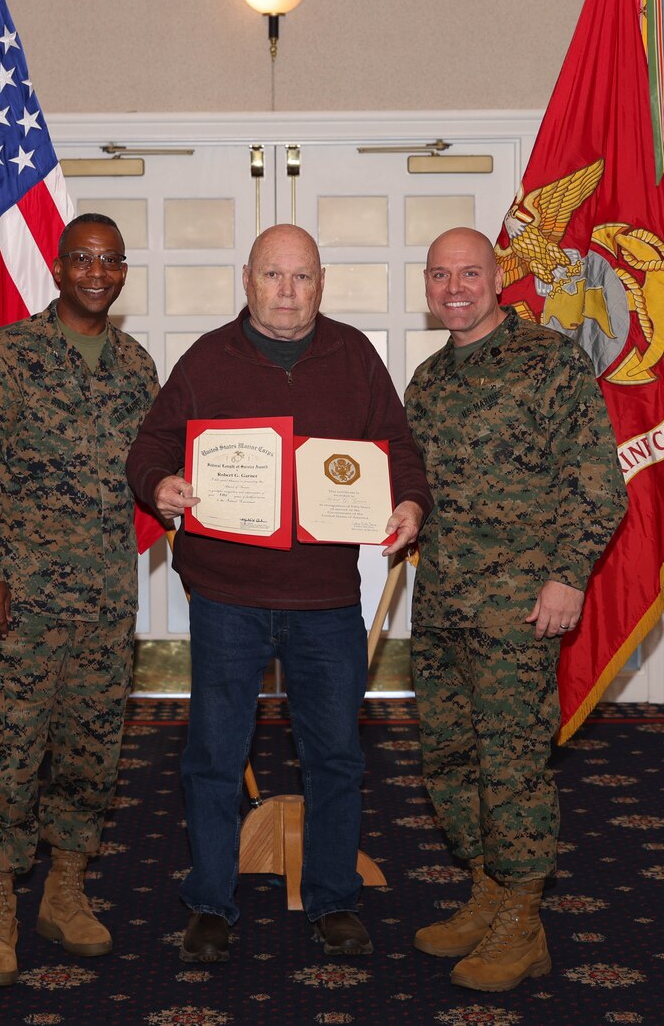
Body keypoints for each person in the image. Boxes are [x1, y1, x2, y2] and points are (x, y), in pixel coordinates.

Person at [126, 224, 432, 963]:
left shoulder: (354, 356)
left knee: (335, 759)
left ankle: (331, 899)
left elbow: (398, 451)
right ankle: (208, 901)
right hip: (226, 595)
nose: (287, 292)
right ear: (247, 279)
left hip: (325, 600)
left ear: (320, 282)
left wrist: (410, 505)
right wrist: (159, 484)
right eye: (272, 276)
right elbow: (150, 446)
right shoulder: (206, 358)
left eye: (300, 277)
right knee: (213, 754)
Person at [0, 213, 158, 987]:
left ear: (123, 270)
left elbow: (156, 470)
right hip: (21, 600)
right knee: (13, 754)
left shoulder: (136, 366)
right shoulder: (8, 356)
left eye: (111, 260)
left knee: (93, 754)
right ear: (58, 268)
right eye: (83, 260)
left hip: (103, 600)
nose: (97, 272)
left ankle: (64, 889)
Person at [405, 227, 628, 992]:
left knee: (511, 765)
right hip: (440, 604)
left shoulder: (550, 361)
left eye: (468, 272)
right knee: (447, 759)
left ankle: (523, 921)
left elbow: (599, 483)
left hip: (517, 609)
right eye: (439, 274)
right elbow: (419, 489)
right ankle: (488, 892)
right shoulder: (426, 381)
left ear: (498, 276)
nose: (453, 287)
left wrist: (567, 578)